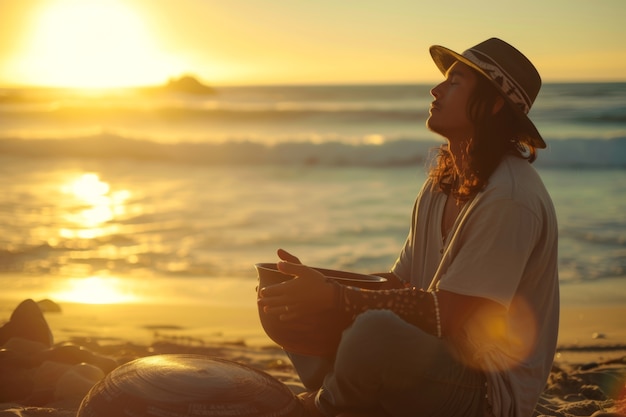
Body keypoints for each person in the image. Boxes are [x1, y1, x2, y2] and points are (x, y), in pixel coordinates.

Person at [258, 38, 559, 417]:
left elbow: (447, 316)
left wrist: (336, 298)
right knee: (292, 297)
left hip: (484, 393)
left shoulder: (511, 198)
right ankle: (344, 392)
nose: (435, 90)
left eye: (455, 82)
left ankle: (324, 407)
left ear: (495, 103)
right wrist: (314, 286)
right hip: (431, 361)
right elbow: (401, 286)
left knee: (374, 332)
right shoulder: (442, 183)